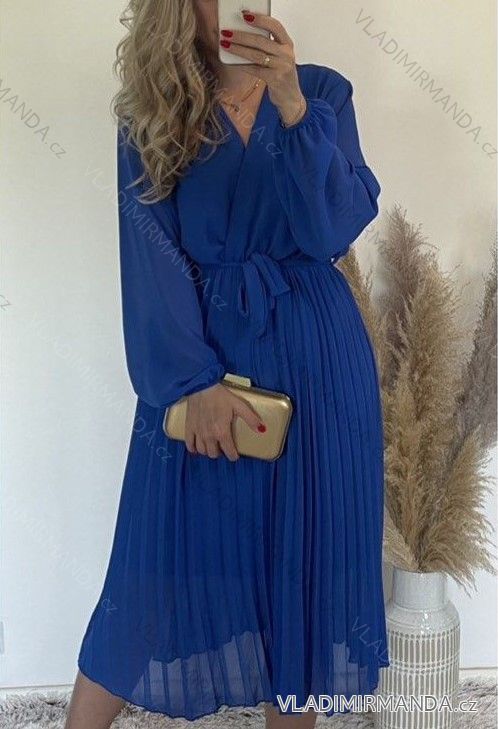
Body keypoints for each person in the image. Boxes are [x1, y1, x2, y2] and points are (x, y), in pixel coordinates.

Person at [65, 2, 389, 727]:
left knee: (306, 576)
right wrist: (194, 383)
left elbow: (332, 232)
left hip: (318, 359)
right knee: (150, 572)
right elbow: (148, 252)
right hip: (201, 354)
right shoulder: (154, 111)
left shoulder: (323, 92)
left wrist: (294, 109)